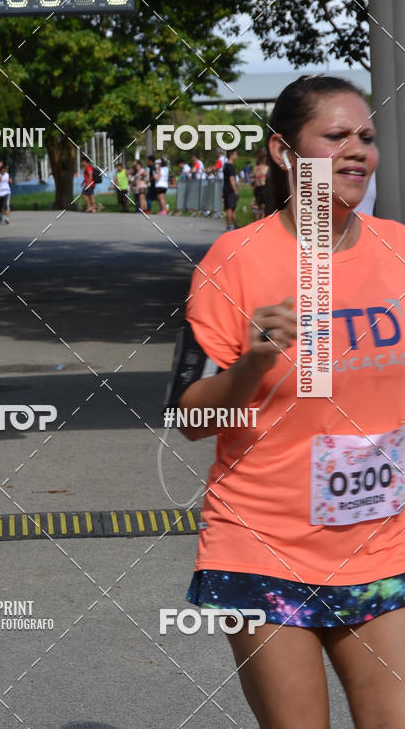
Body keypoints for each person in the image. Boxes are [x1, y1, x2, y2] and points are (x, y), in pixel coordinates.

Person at [168, 75, 405, 728]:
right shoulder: (234, 260)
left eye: (367, 137)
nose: (357, 150)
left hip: (381, 547)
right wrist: (253, 363)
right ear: (284, 152)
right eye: (336, 137)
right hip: (261, 549)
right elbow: (191, 418)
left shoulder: (399, 252)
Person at [222, 148, 239, 230]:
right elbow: (232, 180)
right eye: (236, 154)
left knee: (231, 208)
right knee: (230, 209)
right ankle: (228, 226)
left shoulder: (225, 165)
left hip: (225, 188)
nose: (237, 156)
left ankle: (235, 225)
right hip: (230, 190)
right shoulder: (231, 166)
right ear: (231, 155)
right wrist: (235, 191)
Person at [251, 148, 269, 221]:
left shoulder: (255, 168)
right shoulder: (266, 168)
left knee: (258, 210)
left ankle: (256, 228)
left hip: (257, 189)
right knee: (263, 211)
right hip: (264, 189)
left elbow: (252, 182)